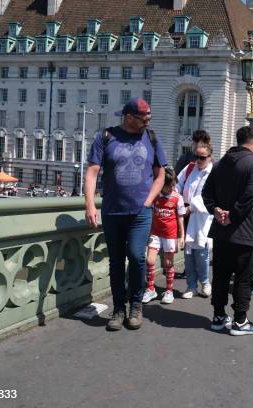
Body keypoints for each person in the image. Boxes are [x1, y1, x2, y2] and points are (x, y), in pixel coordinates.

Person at [85, 97, 167, 331]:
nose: (148, 122)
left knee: (137, 256)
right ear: (129, 117)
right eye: (144, 119)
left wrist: (148, 202)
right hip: (112, 211)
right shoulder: (106, 137)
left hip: (140, 212)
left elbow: (161, 175)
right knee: (116, 262)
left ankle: (136, 305)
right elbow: (92, 172)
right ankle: (119, 308)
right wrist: (90, 204)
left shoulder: (151, 138)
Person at [202, 126, 253, 336]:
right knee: (243, 278)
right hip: (245, 232)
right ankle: (240, 321)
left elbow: (206, 192)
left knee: (220, 275)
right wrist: (233, 215)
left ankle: (218, 316)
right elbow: (251, 196)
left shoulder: (220, 164)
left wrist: (216, 210)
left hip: (221, 231)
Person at [176, 141, 214, 299]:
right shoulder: (190, 167)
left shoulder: (214, 172)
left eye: (202, 157)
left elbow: (208, 196)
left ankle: (205, 282)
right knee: (188, 254)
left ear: (210, 157)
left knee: (201, 253)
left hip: (202, 218)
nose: (198, 160)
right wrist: (177, 201)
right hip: (185, 214)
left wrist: (189, 208)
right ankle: (191, 285)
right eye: (196, 156)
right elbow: (177, 184)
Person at [144, 167, 186, 304]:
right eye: (170, 185)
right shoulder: (155, 195)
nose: (173, 188)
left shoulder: (177, 198)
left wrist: (182, 236)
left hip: (170, 235)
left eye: (174, 185)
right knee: (150, 260)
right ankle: (151, 289)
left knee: (168, 263)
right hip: (155, 232)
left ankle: (169, 291)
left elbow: (180, 218)